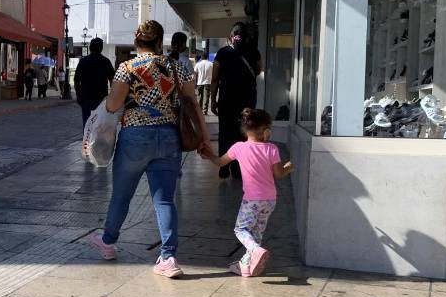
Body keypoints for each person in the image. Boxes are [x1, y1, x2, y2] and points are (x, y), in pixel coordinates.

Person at [87, 20, 211, 279]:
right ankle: (168, 257)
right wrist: (205, 137)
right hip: (169, 137)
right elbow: (193, 103)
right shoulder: (177, 67)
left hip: (134, 138)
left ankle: (108, 242)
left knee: (121, 196)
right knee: (164, 199)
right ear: (159, 41)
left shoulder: (127, 68)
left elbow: (112, 105)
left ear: (136, 41)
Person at [201, 108, 293, 277]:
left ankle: (254, 251)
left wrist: (209, 155)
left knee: (241, 230)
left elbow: (221, 162)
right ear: (266, 131)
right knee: (257, 232)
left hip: (252, 200)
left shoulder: (239, 148)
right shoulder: (272, 149)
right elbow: (279, 174)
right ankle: (247, 265)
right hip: (270, 200)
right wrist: (288, 167)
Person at [210, 22, 262, 179]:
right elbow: (259, 70)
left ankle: (224, 166)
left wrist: (213, 99)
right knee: (244, 133)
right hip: (247, 100)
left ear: (231, 37)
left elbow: (214, 79)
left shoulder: (223, 53)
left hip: (227, 100)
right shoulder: (254, 52)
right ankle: (239, 169)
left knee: (225, 132)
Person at [74, 37, 116, 126]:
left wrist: (79, 95)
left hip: (86, 97)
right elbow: (112, 80)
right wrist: (112, 96)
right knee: (100, 123)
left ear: (90, 48)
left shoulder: (83, 61)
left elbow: (76, 80)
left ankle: (87, 139)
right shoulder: (105, 61)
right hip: (101, 98)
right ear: (101, 48)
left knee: (87, 123)